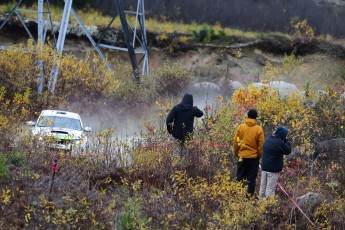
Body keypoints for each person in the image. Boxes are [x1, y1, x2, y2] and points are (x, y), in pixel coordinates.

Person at [233, 109, 264, 196]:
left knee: (240, 178)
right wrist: (259, 155)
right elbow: (260, 145)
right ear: (256, 118)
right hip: (253, 159)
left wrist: (237, 154)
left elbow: (236, 142)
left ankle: (238, 198)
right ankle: (248, 199)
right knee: (251, 180)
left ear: (247, 116)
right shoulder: (259, 129)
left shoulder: (240, 127)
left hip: (241, 157)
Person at [259, 126, 292, 199]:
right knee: (270, 189)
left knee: (263, 187)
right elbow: (288, 150)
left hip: (264, 167)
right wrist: (287, 141)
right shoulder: (279, 143)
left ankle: (260, 205)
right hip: (272, 169)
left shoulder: (268, 139)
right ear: (283, 135)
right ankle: (268, 207)